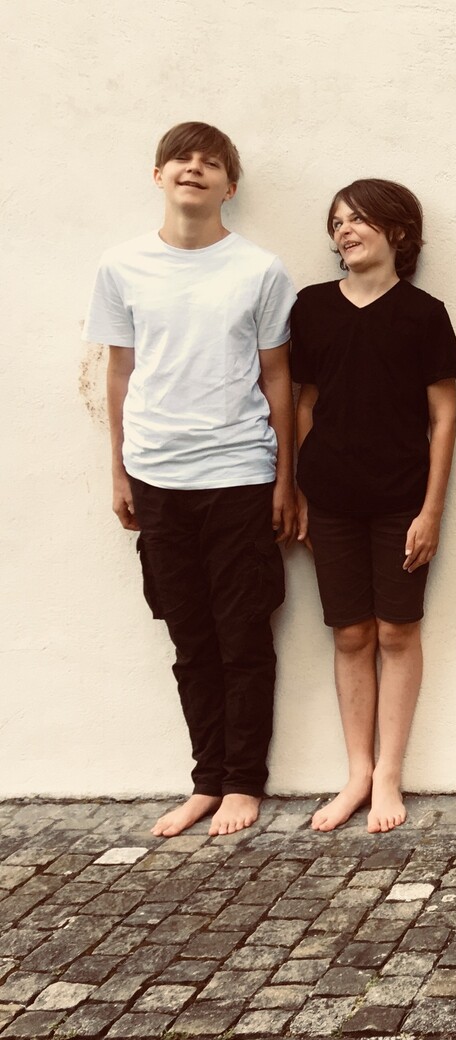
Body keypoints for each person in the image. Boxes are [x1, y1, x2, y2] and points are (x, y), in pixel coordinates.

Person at [85, 121, 297, 837]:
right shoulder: (121, 266)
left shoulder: (259, 270)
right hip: (156, 476)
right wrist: (118, 468)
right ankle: (206, 780)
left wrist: (284, 479)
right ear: (158, 175)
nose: (194, 168)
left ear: (230, 186)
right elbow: (119, 370)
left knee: (244, 635)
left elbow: (277, 377)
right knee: (190, 639)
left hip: (238, 471)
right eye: (181, 158)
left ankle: (243, 783)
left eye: (211, 162)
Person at [290, 179, 456, 833]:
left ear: (398, 231)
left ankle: (390, 772)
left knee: (396, 632)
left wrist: (431, 510)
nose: (344, 229)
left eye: (358, 218)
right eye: (337, 221)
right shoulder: (311, 307)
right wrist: (301, 491)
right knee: (350, 634)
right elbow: (305, 403)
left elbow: (444, 416)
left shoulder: (424, 313)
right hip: (330, 501)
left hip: (400, 503)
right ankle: (357, 772)